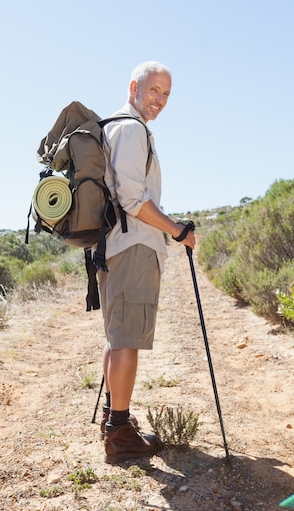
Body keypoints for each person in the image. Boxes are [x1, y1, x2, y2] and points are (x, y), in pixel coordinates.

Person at [97, 61, 196, 464]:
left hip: (115, 246)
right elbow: (133, 199)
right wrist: (177, 230)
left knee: (117, 336)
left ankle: (113, 420)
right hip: (132, 247)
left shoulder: (116, 128)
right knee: (127, 340)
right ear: (134, 86)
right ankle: (119, 437)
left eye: (166, 94)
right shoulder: (132, 129)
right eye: (154, 90)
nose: (160, 100)